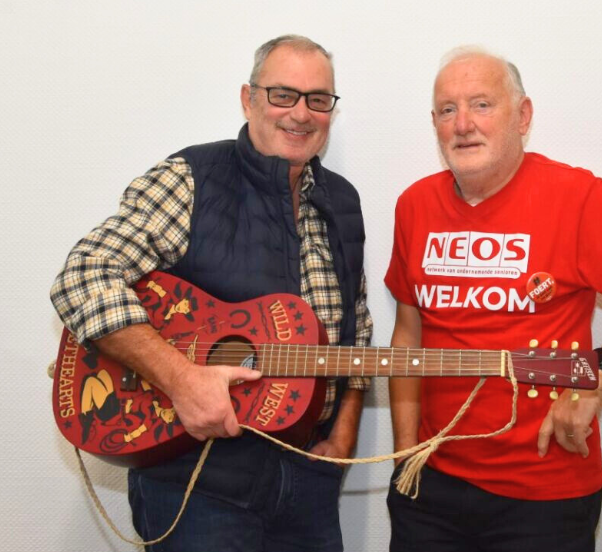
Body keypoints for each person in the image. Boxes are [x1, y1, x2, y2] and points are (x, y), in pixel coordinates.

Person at [50, 34, 372, 552]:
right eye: (283, 94)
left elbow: (355, 326)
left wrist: (345, 432)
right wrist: (181, 379)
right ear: (249, 99)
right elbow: (83, 275)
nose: (301, 114)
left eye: (318, 99)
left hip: (308, 479)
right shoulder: (191, 180)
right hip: (197, 483)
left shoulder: (342, 200)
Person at [385, 47, 602, 552]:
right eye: (448, 110)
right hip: (432, 488)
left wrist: (595, 376)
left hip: (544, 494)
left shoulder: (576, 197)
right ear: (435, 124)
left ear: (523, 116)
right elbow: (409, 334)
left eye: (481, 104)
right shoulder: (414, 205)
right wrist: (406, 454)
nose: (463, 124)